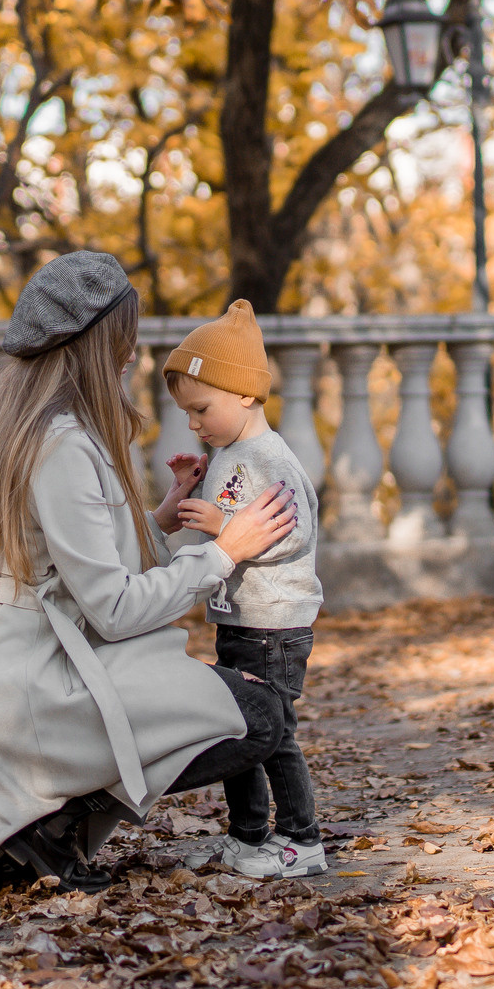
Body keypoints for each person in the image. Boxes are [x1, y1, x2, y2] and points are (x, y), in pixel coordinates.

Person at [0, 251, 299, 907]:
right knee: (261, 715)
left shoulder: (30, 428)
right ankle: (43, 824)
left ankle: (35, 824)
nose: (132, 355)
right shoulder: (62, 442)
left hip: (7, 674)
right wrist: (222, 553)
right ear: (94, 344)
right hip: (33, 688)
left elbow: (68, 558)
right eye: (123, 340)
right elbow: (115, 607)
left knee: (243, 701)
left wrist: (161, 517)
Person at [153, 300, 328, 878]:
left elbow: (290, 534)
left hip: (274, 622)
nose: (194, 423)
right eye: (188, 413)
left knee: (273, 732)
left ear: (245, 395)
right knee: (240, 725)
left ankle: (302, 840)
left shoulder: (267, 456)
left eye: (201, 408)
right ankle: (249, 835)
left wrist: (226, 531)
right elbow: (225, 519)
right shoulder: (229, 454)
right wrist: (188, 492)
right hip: (238, 618)